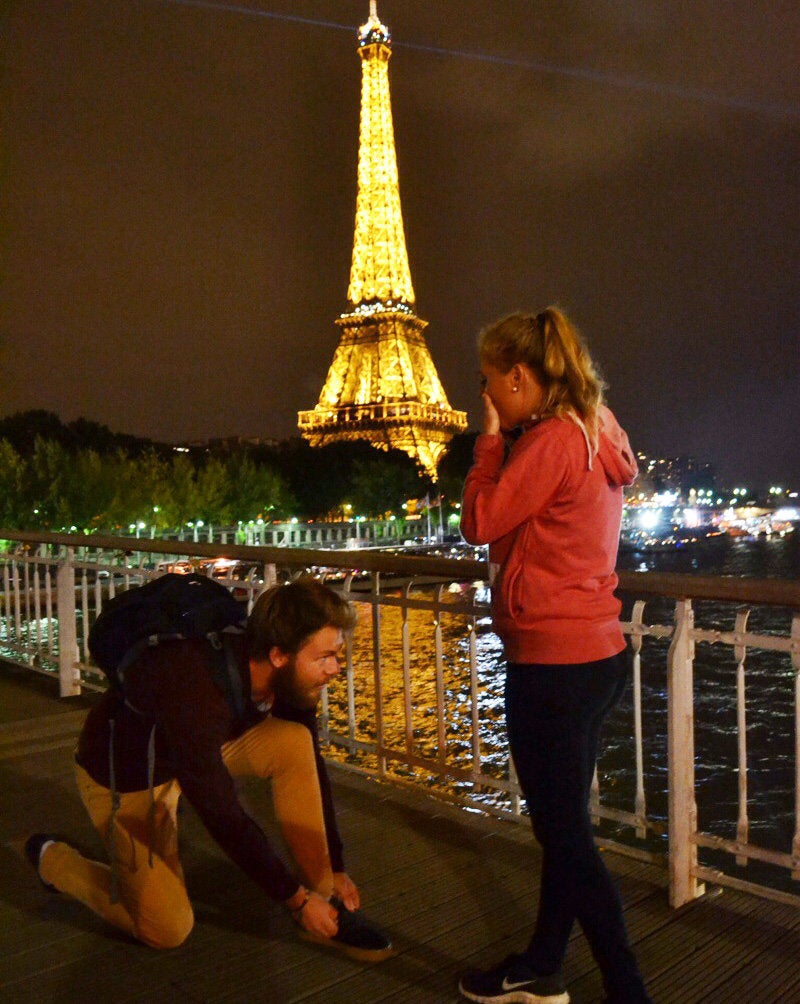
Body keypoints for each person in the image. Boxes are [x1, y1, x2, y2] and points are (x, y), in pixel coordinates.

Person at [25, 575, 393, 962]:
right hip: (130, 776)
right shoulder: (194, 691)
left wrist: (333, 866)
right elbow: (223, 814)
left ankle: (327, 904)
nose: (336, 669)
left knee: (294, 742)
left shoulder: (287, 680)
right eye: (325, 657)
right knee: (166, 929)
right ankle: (54, 860)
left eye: (337, 654)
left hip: (198, 748)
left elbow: (310, 763)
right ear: (279, 654)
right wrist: (294, 900)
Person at [458, 308, 651, 1004]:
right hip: (597, 652)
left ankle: (627, 989)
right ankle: (542, 963)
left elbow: (481, 522)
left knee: (565, 835)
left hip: (552, 662)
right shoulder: (600, 427)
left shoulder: (547, 441)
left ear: (519, 374)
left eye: (490, 383)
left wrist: (488, 444)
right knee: (563, 823)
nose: (486, 397)